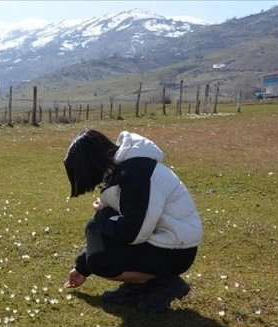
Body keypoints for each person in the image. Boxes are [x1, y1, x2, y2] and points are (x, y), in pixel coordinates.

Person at [63, 129, 202, 312]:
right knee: (94, 228)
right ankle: (137, 285)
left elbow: (133, 233)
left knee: (101, 261)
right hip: (160, 241)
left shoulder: (136, 175)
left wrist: (102, 214)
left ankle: (164, 283)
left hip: (176, 250)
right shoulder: (122, 171)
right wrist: (81, 268)